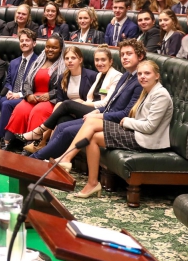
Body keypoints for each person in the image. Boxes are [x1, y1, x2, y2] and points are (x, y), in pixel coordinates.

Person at [61, 60, 172, 198]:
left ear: (157, 76)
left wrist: (127, 121)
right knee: (92, 129)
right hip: (136, 131)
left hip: (146, 139)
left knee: (92, 127)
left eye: (147, 73)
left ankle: (66, 159)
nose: (142, 77)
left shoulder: (161, 95)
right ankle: (91, 182)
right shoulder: (147, 90)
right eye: (140, 74)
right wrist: (128, 121)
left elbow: (149, 127)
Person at [30, 39, 146, 162]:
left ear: (140, 56)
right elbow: (110, 104)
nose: (124, 57)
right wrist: (97, 112)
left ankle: (35, 159)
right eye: (122, 54)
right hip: (104, 115)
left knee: (67, 129)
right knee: (62, 125)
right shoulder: (126, 76)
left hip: (115, 124)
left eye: (129, 54)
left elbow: (126, 114)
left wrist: (99, 115)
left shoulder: (140, 81)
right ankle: (47, 160)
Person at [21, 46, 121, 152]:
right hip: (74, 109)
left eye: (73, 58)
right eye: (67, 58)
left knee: (65, 104)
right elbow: (60, 99)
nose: (70, 61)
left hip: (95, 111)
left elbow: (103, 102)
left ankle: (39, 136)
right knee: (61, 118)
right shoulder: (96, 75)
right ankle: (48, 151)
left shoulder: (96, 75)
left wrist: (81, 103)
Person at [1, 37, 66, 149]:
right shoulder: (38, 62)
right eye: (48, 47)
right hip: (34, 96)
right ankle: (10, 142)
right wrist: (28, 94)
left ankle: (32, 145)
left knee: (38, 111)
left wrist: (49, 95)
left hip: (52, 99)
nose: (50, 50)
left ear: (60, 49)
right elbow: (27, 82)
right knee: (21, 109)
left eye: (54, 47)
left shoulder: (64, 65)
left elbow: (64, 87)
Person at [0, 29, 38, 142]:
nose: (24, 43)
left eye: (27, 40)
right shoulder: (14, 62)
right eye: (22, 41)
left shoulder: (38, 62)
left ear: (34, 43)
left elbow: (36, 84)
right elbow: (8, 81)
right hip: (11, 95)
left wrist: (19, 94)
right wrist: (10, 91)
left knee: (6, 104)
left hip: (25, 97)